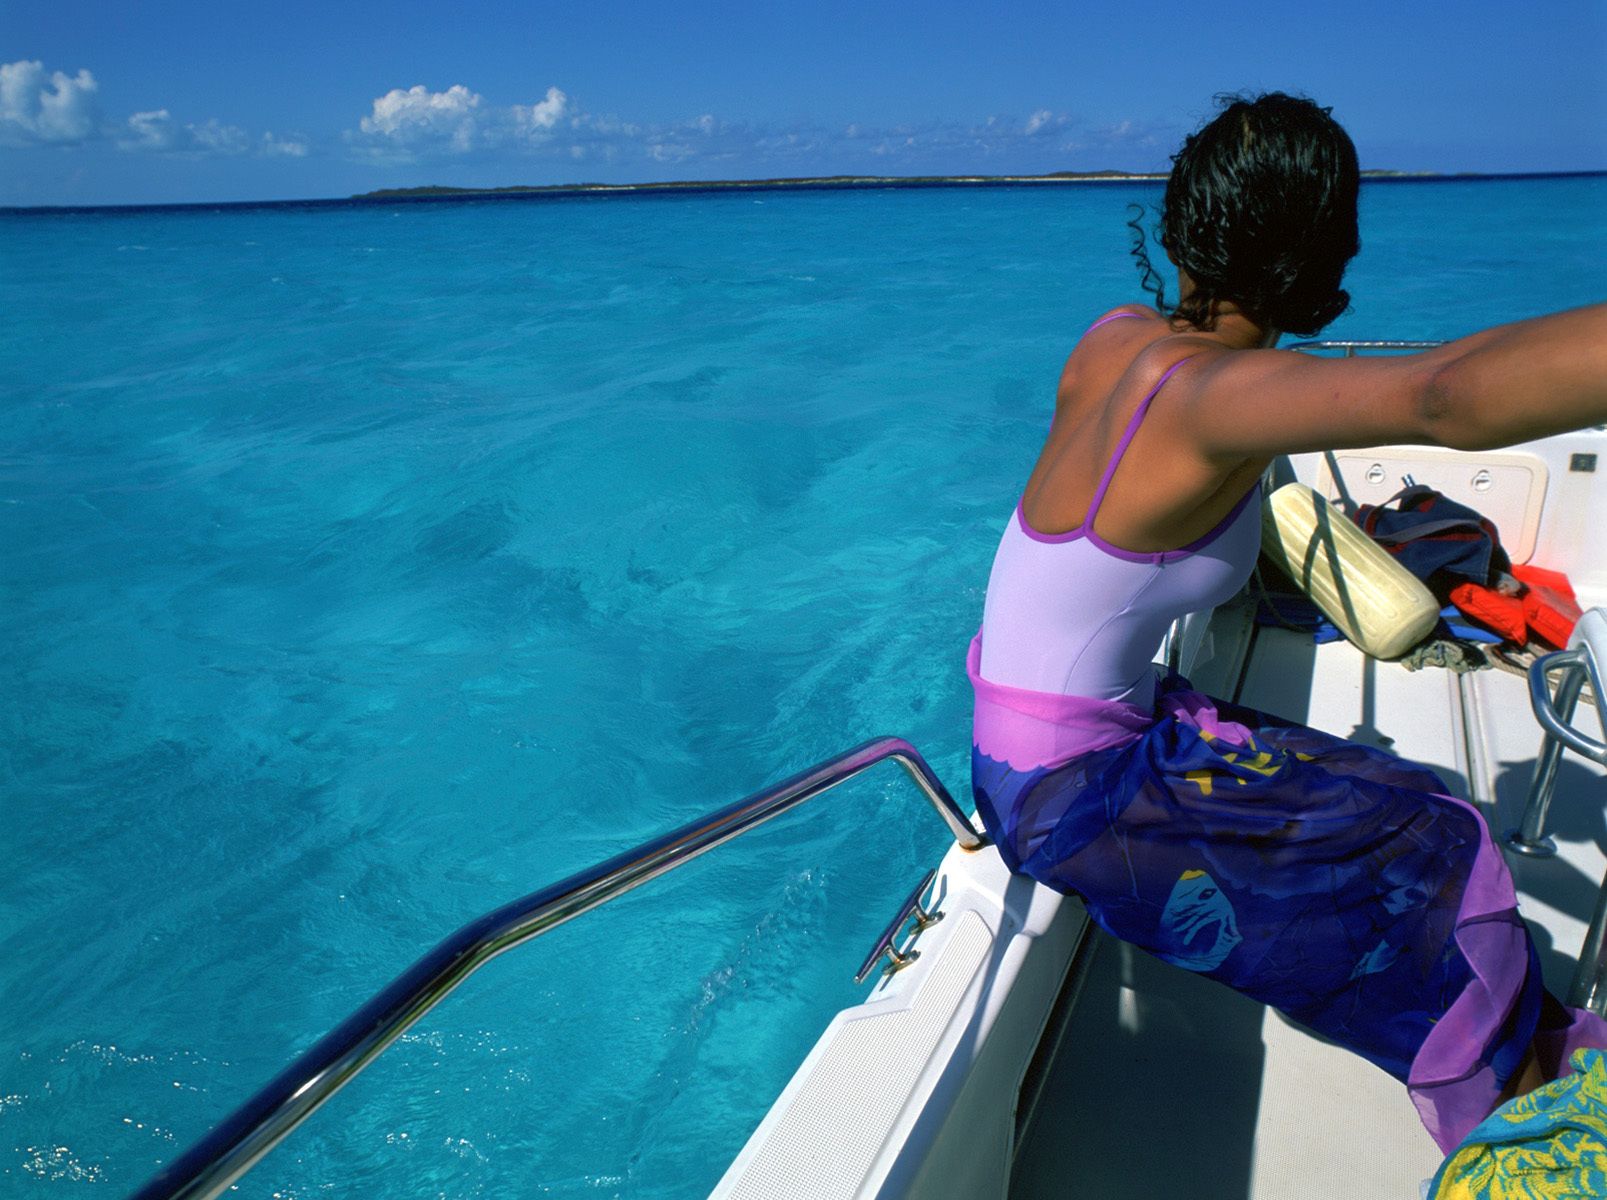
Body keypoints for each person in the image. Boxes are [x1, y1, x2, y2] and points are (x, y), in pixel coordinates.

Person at [967, 90, 1607, 1155]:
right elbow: (1443, 397)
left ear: (1185, 222)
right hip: (1073, 793)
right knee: (1431, 840)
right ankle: (1512, 1115)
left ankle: (1518, 1048)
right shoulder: (1209, 397)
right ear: (1321, 258)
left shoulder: (1113, 341)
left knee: (1406, 799)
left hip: (1030, 738)